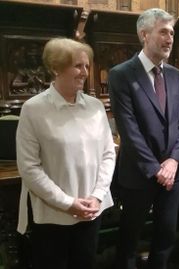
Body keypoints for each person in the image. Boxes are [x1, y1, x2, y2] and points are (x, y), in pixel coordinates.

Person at [16, 38, 116, 269]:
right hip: (53, 216)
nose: (85, 72)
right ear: (56, 67)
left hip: (91, 210)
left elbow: (108, 154)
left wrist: (97, 195)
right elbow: (29, 168)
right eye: (77, 66)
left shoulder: (95, 106)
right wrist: (68, 203)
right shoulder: (34, 109)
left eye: (87, 66)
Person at [108, 8, 179, 269]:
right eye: (163, 32)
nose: (170, 38)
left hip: (172, 174)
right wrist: (156, 169)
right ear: (144, 34)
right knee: (129, 238)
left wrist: (174, 162)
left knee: (166, 235)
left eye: (172, 33)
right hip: (139, 173)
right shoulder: (121, 74)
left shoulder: (176, 75)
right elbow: (129, 130)